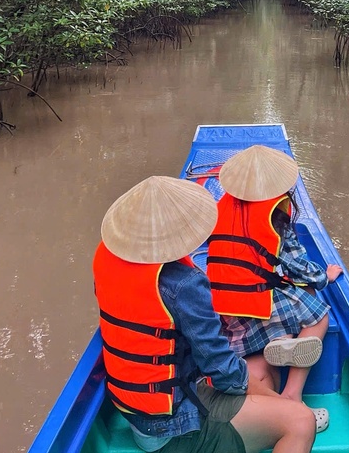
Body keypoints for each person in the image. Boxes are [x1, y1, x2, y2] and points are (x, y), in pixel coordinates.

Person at [92, 174, 317, 453]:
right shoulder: (183, 284)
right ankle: (286, 410)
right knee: (301, 422)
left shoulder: (107, 260)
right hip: (173, 429)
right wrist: (285, 405)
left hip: (139, 418)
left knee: (263, 368)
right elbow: (222, 370)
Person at [206, 146, 343, 420]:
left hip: (224, 309)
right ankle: (293, 392)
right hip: (260, 304)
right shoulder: (275, 215)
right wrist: (323, 277)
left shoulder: (220, 208)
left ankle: (282, 337)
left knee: (289, 294)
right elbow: (299, 268)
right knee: (317, 314)